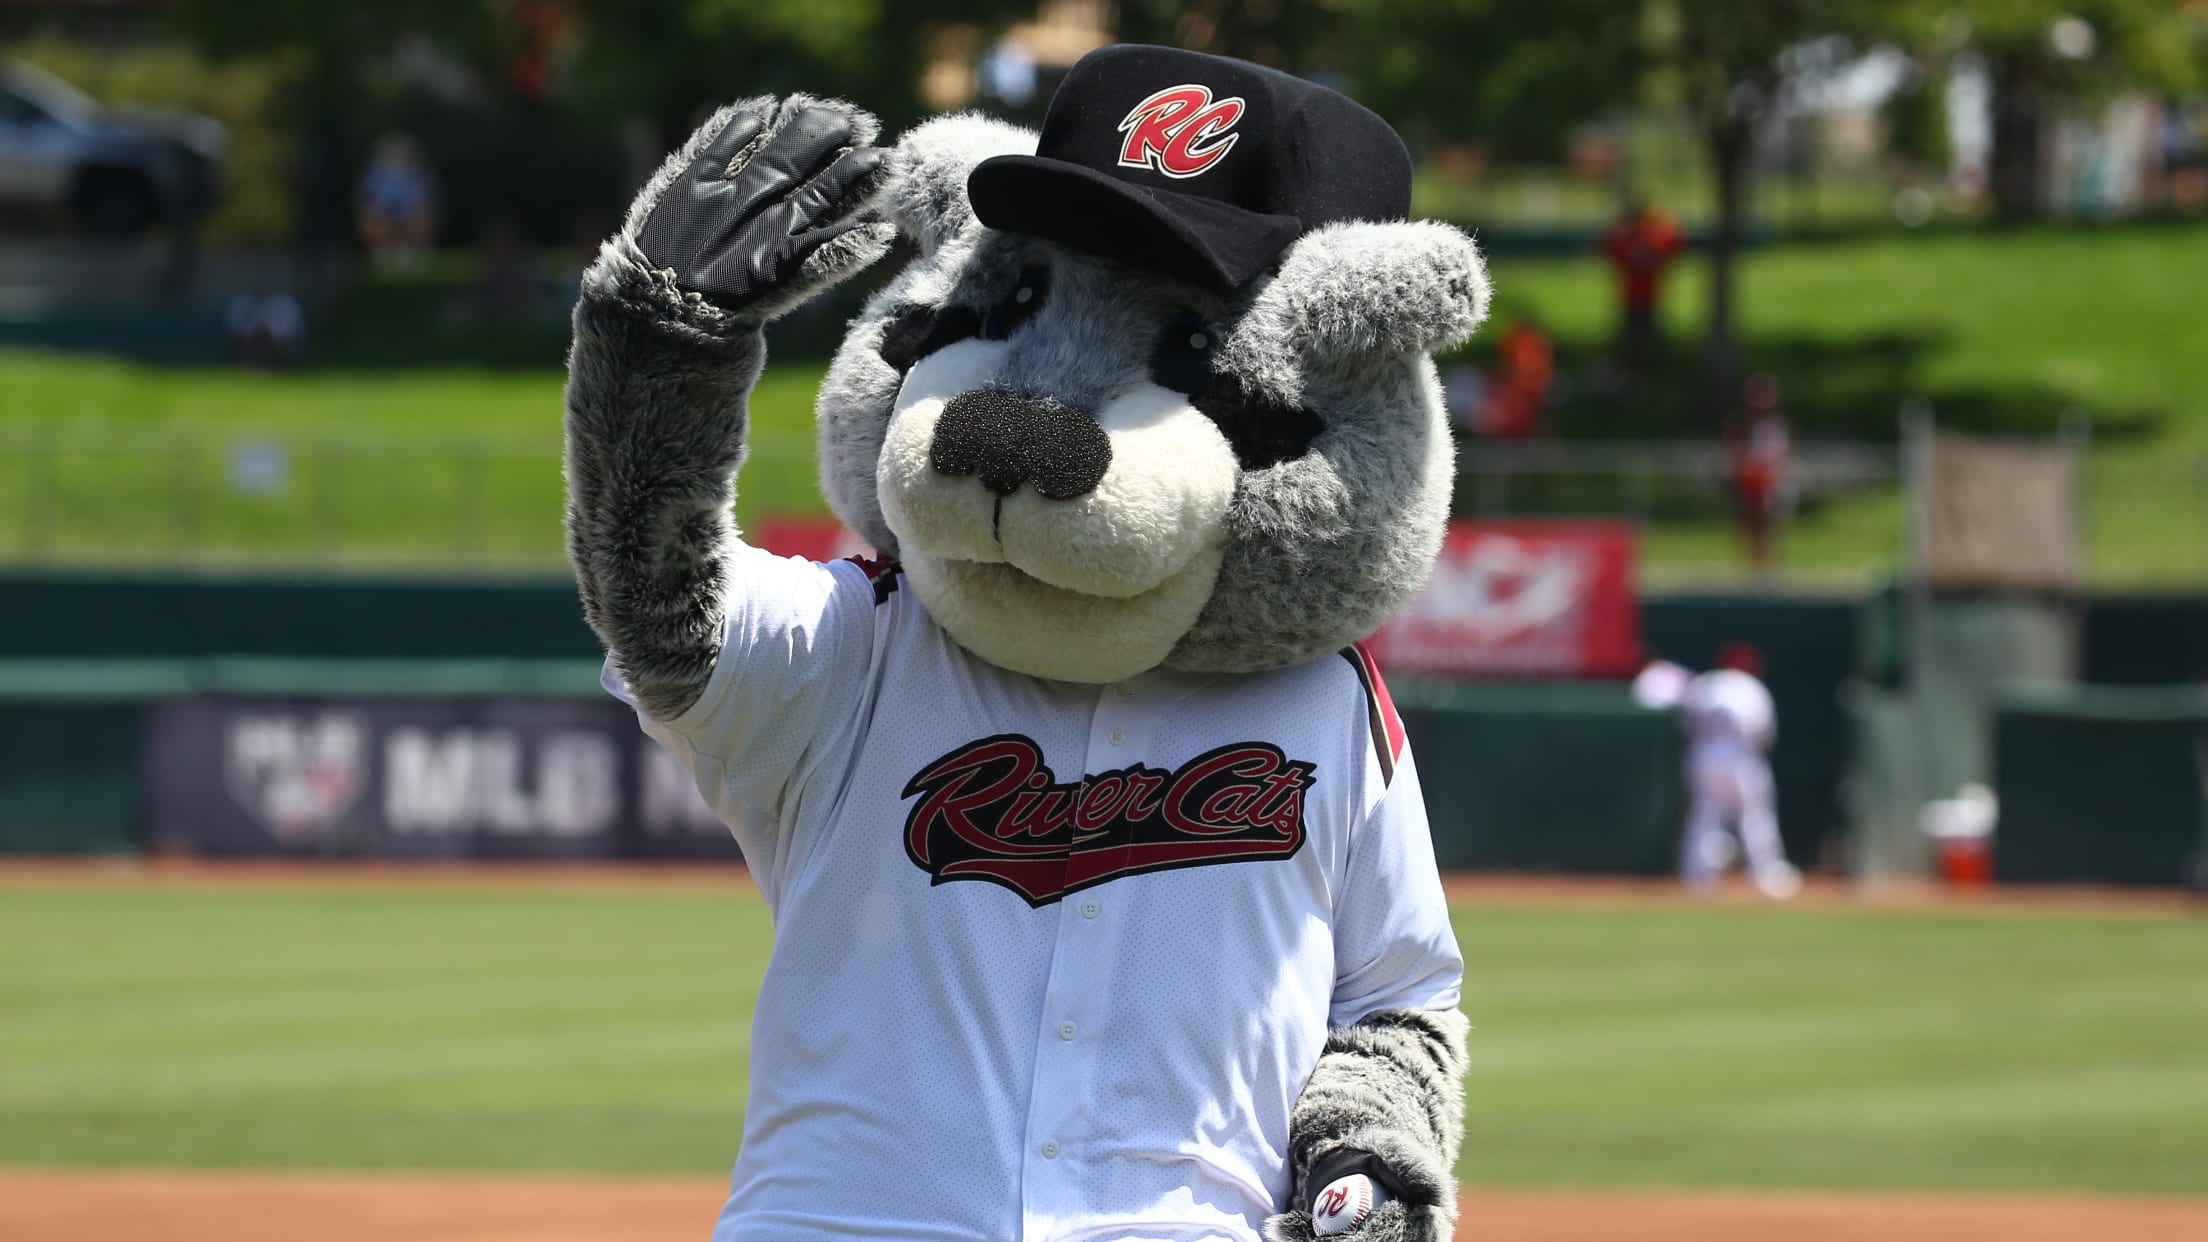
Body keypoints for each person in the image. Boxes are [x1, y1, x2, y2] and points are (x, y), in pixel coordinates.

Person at [1678, 642, 1800, 898]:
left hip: (1705, 755)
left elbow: (1687, 726)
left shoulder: (1704, 684)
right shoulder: (1751, 687)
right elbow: (1763, 733)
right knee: (1756, 816)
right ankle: (1768, 876)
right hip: (1741, 756)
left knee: (1705, 814)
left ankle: (1698, 877)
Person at [1600, 200, 1685, 378]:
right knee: (1633, 341)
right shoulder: (1634, 239)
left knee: (1647, 340)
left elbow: (1677, 243)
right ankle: (1633, 374)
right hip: (1632, 299)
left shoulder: (1650, 238)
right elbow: (1607, 247)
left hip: (1648, 298)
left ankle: (1648, 374)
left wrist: (1662, 218)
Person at [1727, 372, 1792, 574]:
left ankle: (1771, 565)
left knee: (1772, 522)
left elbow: (1785, 451)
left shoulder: (1777, 422)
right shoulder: (1741, 422)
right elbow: (1734, 450)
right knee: (1749, 522)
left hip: (1771, 478)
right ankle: (1751, 564)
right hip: (1749, 479)